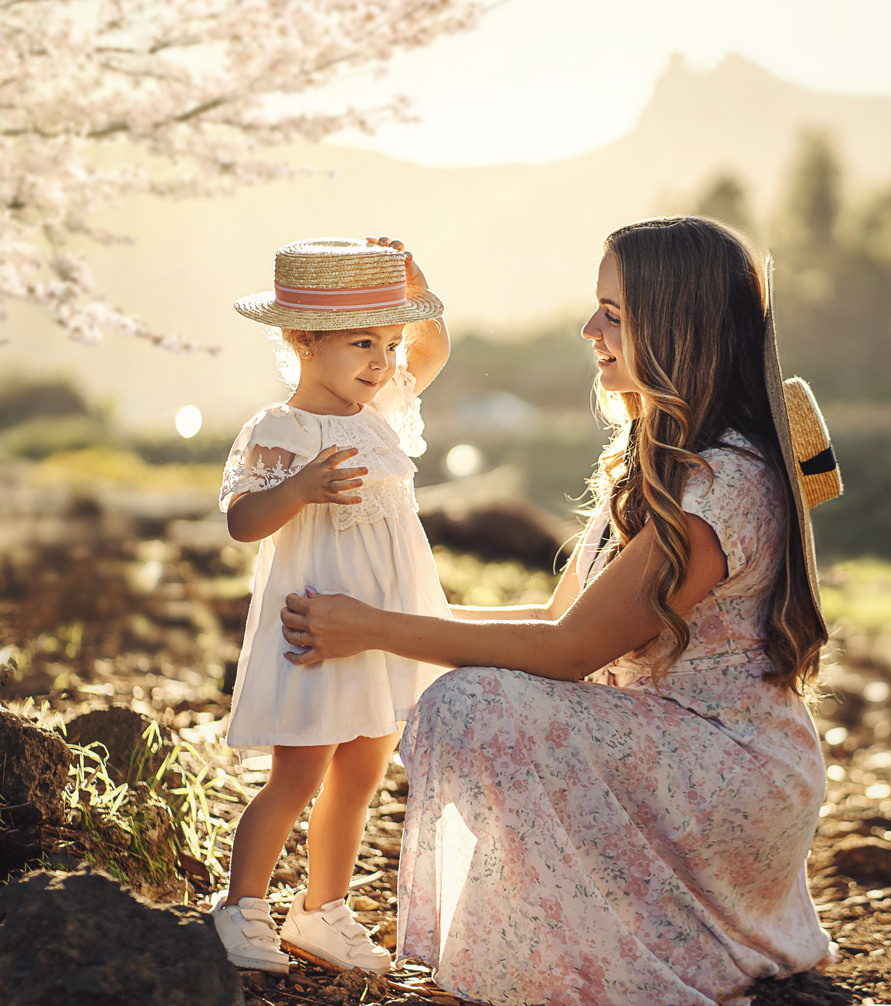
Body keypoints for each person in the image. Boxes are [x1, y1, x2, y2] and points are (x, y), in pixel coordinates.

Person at [281, 217, 843, 1005]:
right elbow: (555, 616)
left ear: (676, 327)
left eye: (614, 314)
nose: (590, 330)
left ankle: (596, 960)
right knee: (470, 691)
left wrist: (372, 629)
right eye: (597, 308)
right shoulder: (652, 457)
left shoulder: (723, 482)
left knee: (471, 704)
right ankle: (591, 948)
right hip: (666, 747)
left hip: (727, 775)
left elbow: (569, 649)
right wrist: (377, 615)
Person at [210, 236, 452, 975]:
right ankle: (242, 904)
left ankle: (321, 908)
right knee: (299, 773)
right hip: (317, 625)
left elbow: (433, 346)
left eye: (387, 343)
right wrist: (298, 489)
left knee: (363, 770)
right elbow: (242, 521)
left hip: (379, 629)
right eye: (361, 344)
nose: (382, 363)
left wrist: (411, 280)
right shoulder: (284, 427)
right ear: (303, 341)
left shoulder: (378, 408)